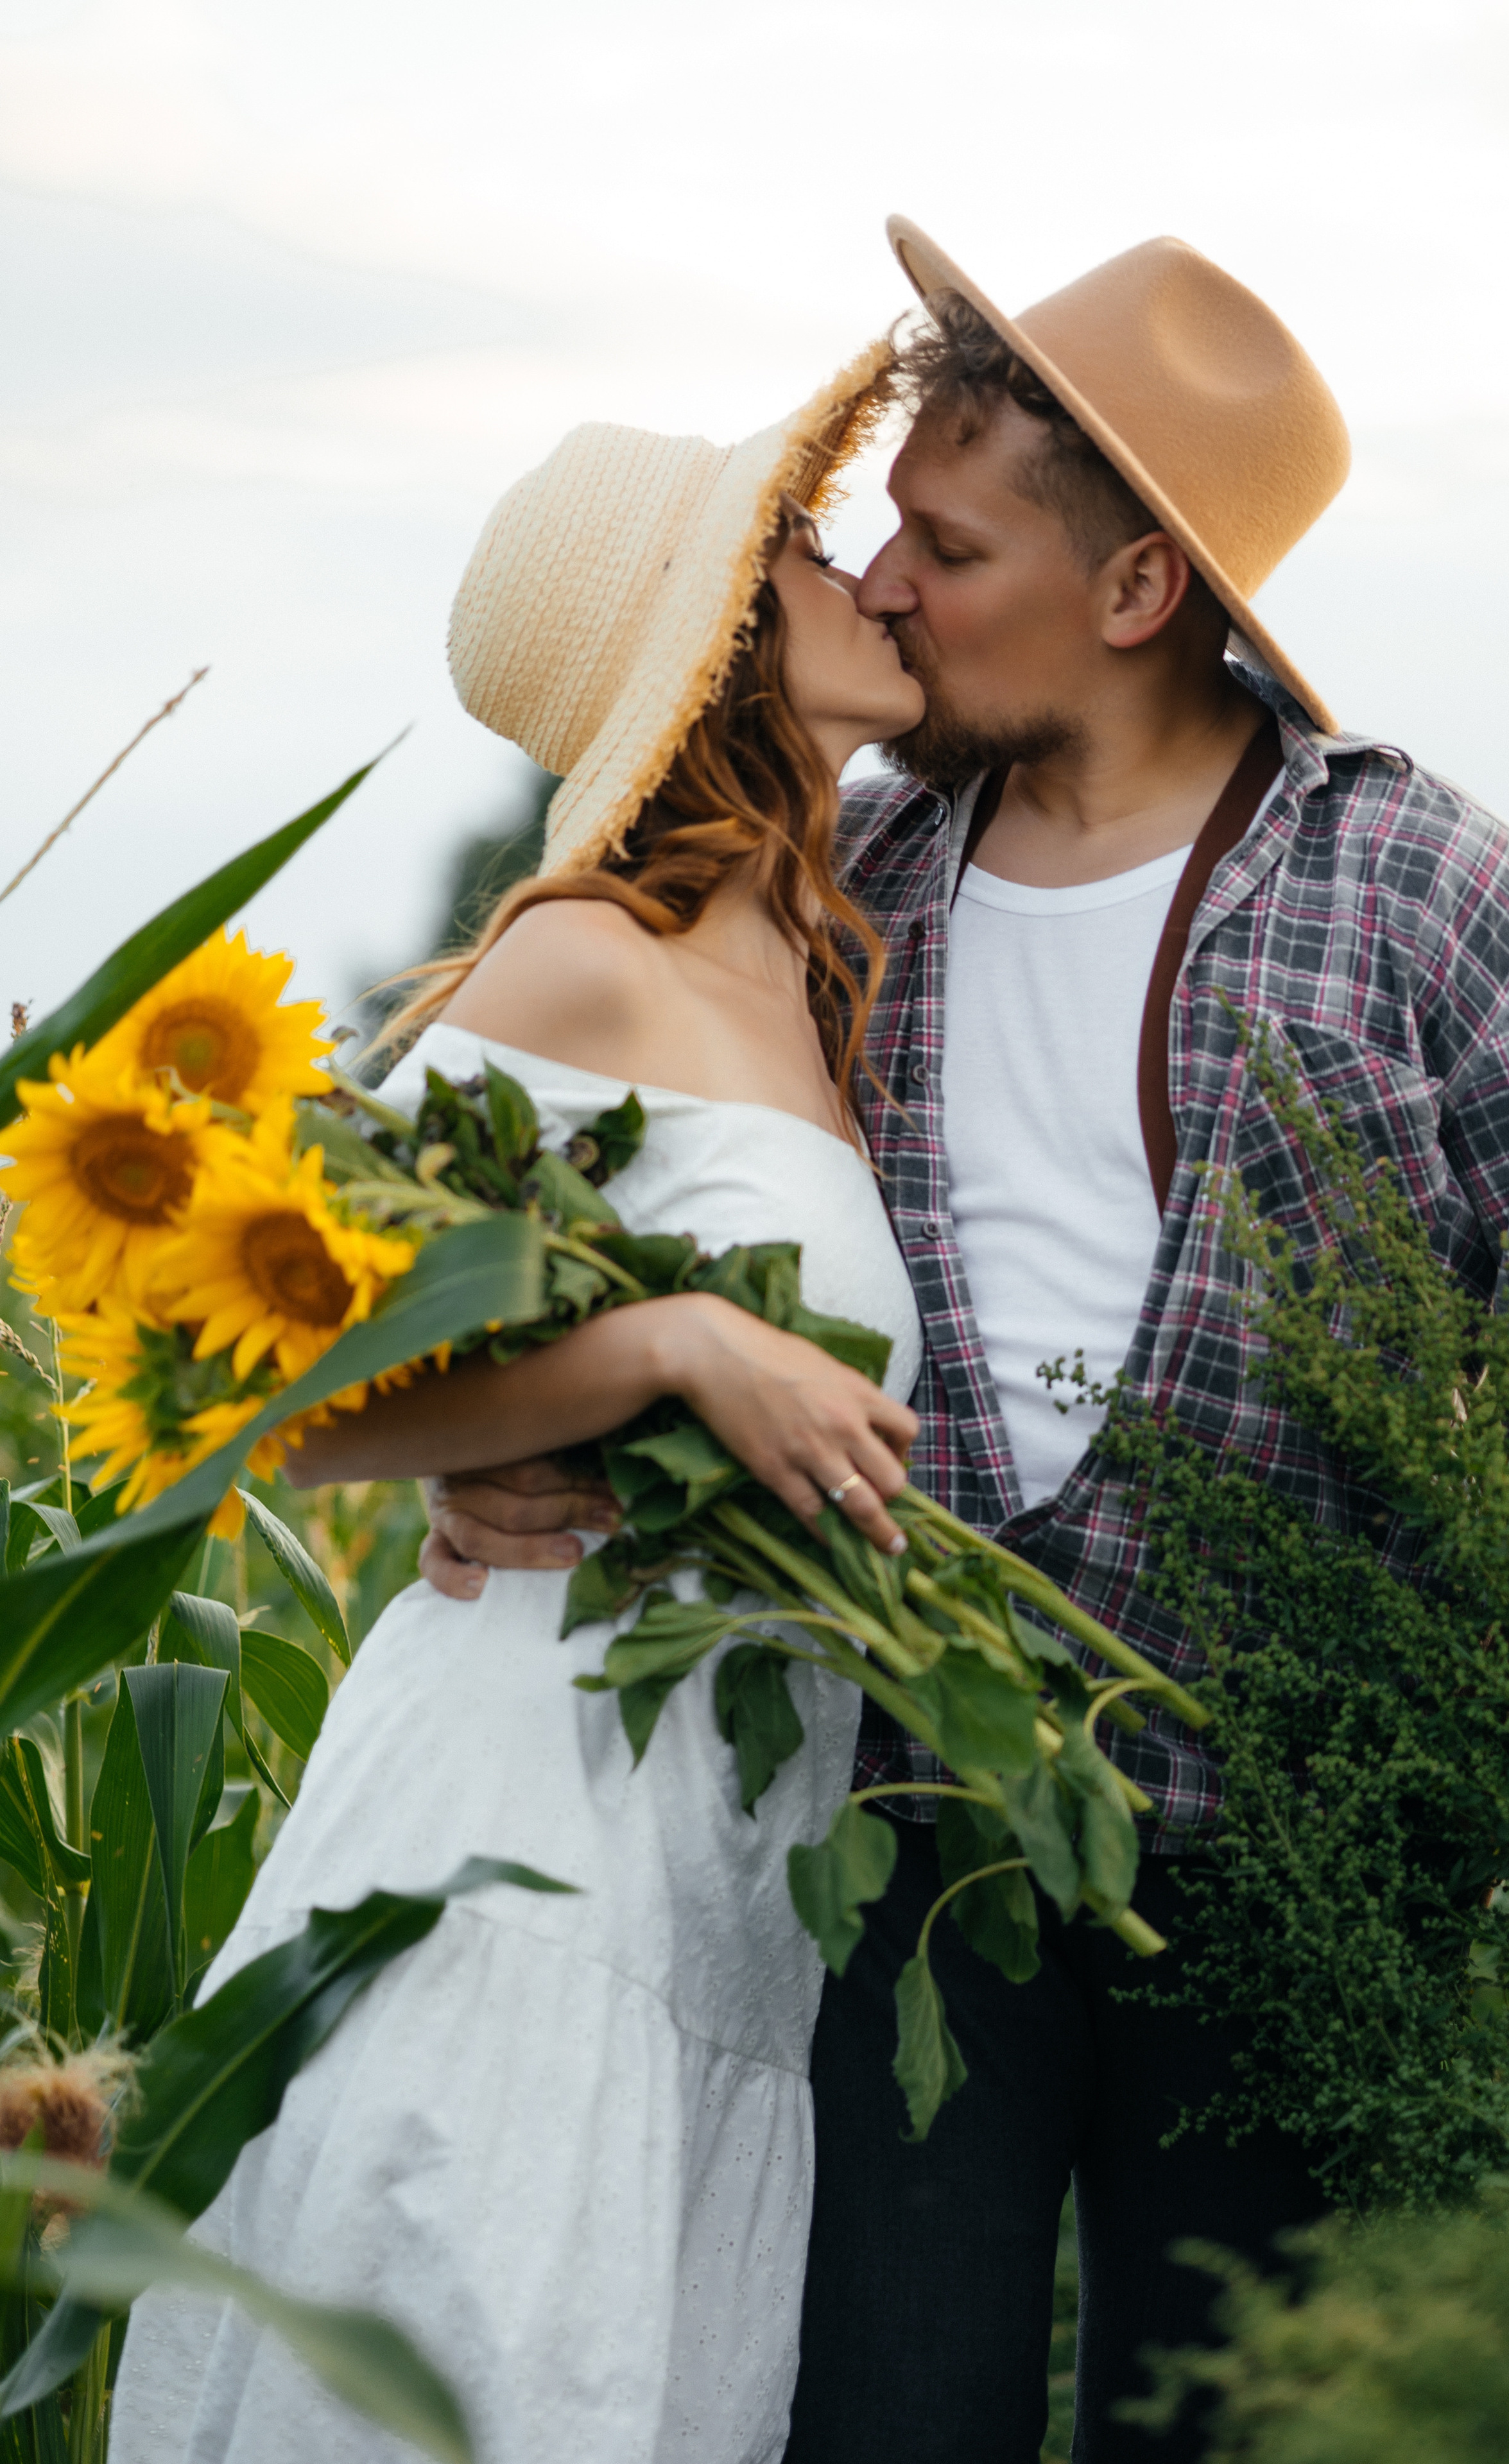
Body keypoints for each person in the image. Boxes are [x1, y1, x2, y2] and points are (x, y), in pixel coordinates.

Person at [424, 221, 1509, 2463]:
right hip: (911, 1846)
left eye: (945, 542)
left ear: (1134, 595)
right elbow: (613, 1240)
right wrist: (475, 1452)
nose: (883, 582)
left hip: (1298, 1888)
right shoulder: (840, 892)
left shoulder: (1449, 908)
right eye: (881, 529)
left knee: (1243, 2424)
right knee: (887, 2416)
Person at [108, 343, 928, 2464]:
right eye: (809, 548)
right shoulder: (581, 954)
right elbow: (260, 1387)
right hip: (522, 1847)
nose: (869, 573)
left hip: (719, 1895)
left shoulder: (814, 974)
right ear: (729, 637)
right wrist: (668, 1347)